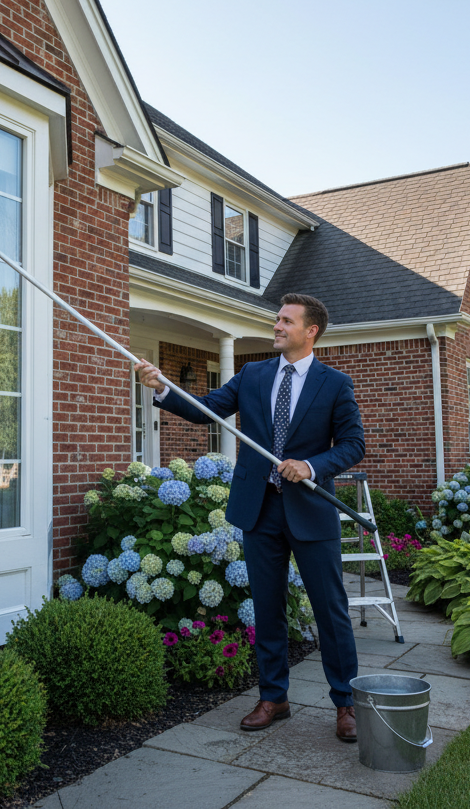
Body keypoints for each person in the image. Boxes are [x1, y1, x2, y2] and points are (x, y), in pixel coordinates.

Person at [134, 293, 364, 742]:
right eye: (276, 319)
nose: (276, 326)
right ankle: (273, 696)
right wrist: (162, 387)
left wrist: (311, 466)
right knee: (268, 607)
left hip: (310, 512)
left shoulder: (334, 384)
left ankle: (345, 703)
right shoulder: (253, 375)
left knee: (331, 610)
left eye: (285, 320)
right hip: (259, 509)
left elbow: (352, 444)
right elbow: (205, 409)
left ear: (310, 330)